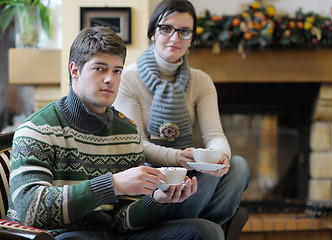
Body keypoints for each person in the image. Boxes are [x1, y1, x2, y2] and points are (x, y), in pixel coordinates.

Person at [6, 26, 225, 240]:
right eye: (100, 68)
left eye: (117, 70)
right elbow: (31, 209)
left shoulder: (127, 132)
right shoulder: (37, 128)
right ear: (75, 70)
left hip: (112, 234)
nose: (110, 79)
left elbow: (122, 220)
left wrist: (157, 200)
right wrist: (113, 184)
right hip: (63, 235)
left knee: (206, 231)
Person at [113, 0, 251, 226]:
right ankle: (193, 229)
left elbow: (214, 134)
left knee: (238, 166)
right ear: (152, 33)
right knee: (199, 177)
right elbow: (136, 144)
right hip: (150, 182)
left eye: (184, 32)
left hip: (188, 173)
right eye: (166, 29)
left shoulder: (200, 81)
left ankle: (203, 228)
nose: (175, 38)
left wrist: (221, 157)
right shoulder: (128, 79)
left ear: (192, 40)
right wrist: (177, 158)